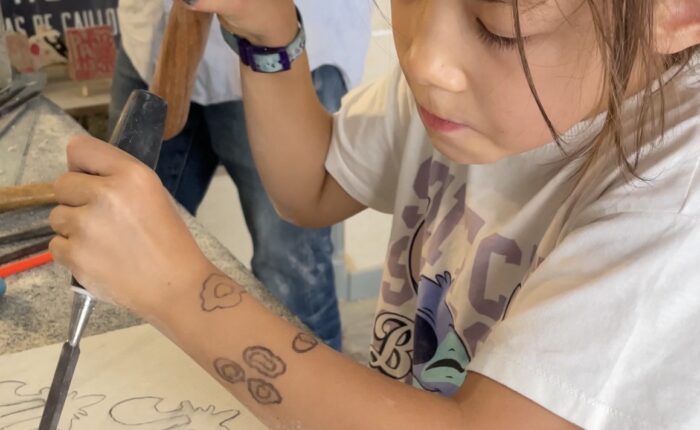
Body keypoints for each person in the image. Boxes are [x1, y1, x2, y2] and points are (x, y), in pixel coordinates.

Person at [49, 0, 700, 428]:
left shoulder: (676, 197)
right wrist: (268, 33)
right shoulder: (462, 79)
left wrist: (180, 290)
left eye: (501, 27)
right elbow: (313, 186)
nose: (423, 62)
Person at [109, 0, 372, 351]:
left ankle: (311, 400)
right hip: (150, 39)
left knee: (291, 277)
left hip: (282, 53)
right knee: (124, 247)